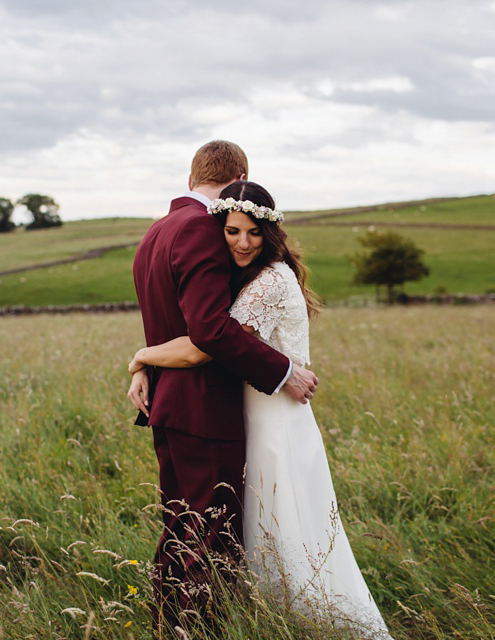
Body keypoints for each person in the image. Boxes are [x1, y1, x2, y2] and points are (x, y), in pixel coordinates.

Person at [128, 181, 393, 639]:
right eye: (231, 232)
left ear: (269, 233)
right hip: (251, 412)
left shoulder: (268, 281)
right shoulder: (255, 276)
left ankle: (323, 624)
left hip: (271, 420)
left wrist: (141, 357)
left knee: (287, 526)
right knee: (259, 527)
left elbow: (203, 344)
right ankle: (262, 621)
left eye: (253, 232)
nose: (242, 242)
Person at [130, 142, 320, 636]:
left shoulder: (156, 231)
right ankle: (194, 629)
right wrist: (283, 371)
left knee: (181, 524)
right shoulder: (198, 227)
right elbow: (210, 330)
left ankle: (169, 624)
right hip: (204, 407)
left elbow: (169, 320)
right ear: (239, 179)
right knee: (207, 532)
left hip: (168, 403)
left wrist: (142, 361)